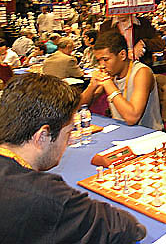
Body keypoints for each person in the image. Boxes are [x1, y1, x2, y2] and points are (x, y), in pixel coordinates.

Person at [0, 73, 146, 243]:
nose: (69, 142)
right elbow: (127, 229)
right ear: (42, 136)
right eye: (69, 133)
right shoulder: (44, 194)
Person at [80, 31, 163, 130]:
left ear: (122, 55)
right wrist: (92, 86)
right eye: (99, 60)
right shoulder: (111, 73)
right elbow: (80, 107)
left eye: (105, 60)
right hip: (121, 130)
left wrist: (109, 86)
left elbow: (132, 118)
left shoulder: (142, 73)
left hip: (148, 135)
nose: (101, 65)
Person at [99, 14, 165, 66]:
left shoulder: (143, 23)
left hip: (142, 69)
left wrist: (143, 43)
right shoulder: (106, 27)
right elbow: (101, 50)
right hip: (116, 72)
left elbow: (160, 44)